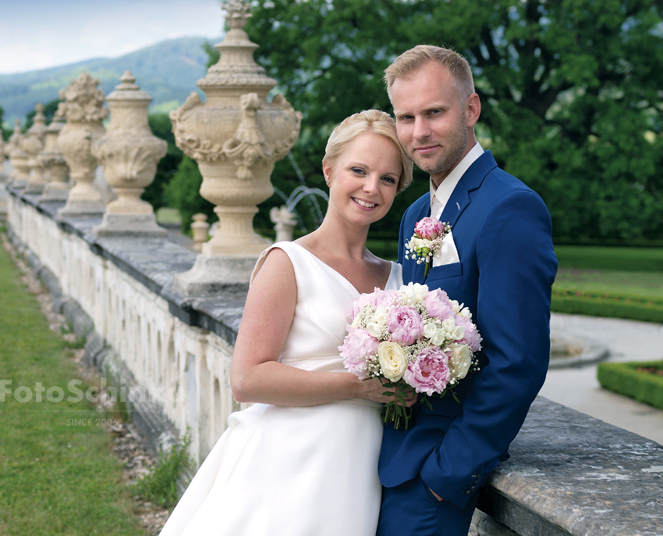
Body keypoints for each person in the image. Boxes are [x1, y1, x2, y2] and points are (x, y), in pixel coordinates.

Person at [159, 110, 415, 536]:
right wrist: (357, 387)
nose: (372, 187)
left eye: (388, 179)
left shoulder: (400, 279)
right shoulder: (288, 262)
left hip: (358, 470)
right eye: (359, 170)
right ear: (329, 170)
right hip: (284, 464)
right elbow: (247, 379)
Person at [376, 45, 558, 536]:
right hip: (387, 460)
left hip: (435, 477)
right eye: (406, 116)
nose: (419, 131)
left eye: (434, 112)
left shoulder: (510, 207)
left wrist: (447, 474)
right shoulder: (416, 214)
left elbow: (517, 362)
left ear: (471, 109)